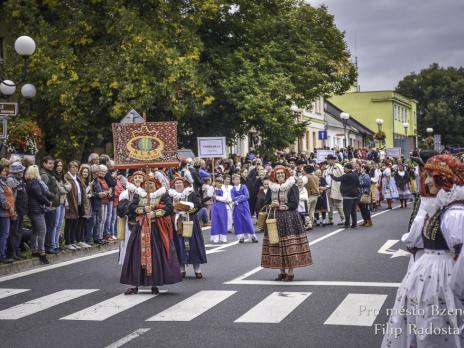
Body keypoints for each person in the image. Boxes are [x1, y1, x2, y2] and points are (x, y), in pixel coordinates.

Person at [382, 154, 464, 347]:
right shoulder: (441, 207)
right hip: (429, 275)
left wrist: (457, 288)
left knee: (438, 326)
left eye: (430, 176)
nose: (426, 181)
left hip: (443, 278)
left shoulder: (455, 213)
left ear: (444, 178)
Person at [118, 172, 182, 294]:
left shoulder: (162, 194)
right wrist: (142, 209)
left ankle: (154, 283)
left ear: (156, 184)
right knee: (136, 255)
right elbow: (132, 207)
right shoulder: (139, 194)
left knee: (157, 256)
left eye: (151, 183)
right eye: (146, 184)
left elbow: (169, 208)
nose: (148, 186)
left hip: (156, 229)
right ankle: (134, 284)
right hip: (140, 228)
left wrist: (155, 213)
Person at [261, 165, 312, 281]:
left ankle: (290, 272)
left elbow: (295, 203)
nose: (280, 175)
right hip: (274, 218)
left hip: (289, 218)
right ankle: (282, 271)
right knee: (276, 244)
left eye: (282, 173)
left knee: (290, 245)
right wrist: (271, 205)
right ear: (274, 175)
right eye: (277, 174)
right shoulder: (271, 187)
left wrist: (283, 206)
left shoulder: (292, 186)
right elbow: (267, 202)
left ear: (286, 174)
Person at [169, 176, 207, 278]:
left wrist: (188, 210)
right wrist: (174, 210)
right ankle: (181, 270)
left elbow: (198, 204)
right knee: (179, 245)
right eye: (176, 183)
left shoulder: (191, 193)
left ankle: (197, 269)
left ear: (184, 184)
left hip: (190, 220)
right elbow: (168, 207)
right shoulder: (171, 195)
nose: (178, 184)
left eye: (180, 183)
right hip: (177, 222)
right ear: (173, 185)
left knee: (193, 244)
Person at [26, 165, 53, 265]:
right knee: (42, 231)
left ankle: (34, 250)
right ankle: (42, 253)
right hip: (37, 210)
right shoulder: (35, 184)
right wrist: (48, 203)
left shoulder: (27, 183)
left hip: (31, 210)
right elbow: (40, 196)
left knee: (34, 231)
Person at [64, 161, 91, 250]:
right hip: (71, 203)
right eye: (73, 167)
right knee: (70, 223)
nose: (75, 169)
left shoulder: (77, 178)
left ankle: (74, 241)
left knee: (76, 222)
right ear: (69, 168)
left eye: (76, 167)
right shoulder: (67, 177)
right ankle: (68, 242)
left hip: (79, 203)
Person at [7, 162, 27, 260]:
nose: (23, 171)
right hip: (16, 210)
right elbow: (11, 197)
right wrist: (13, 210)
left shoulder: (20, 180)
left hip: (21, 210)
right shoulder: (11, 180)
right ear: (17, 172)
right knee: (13, 232)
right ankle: (11, 253)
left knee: (19, 232)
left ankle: (17, 251)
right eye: (21, 170)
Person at [40, 156, 60, 255]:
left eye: (52, 163)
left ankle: (48, 246)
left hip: (53, 205)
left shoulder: (49, 173)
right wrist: (48, 202)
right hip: (48, 206)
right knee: (48, 227)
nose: (52, 165)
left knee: (51, 226)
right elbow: (44, 191)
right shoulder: (44, 175)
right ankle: (46, 247)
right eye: (49, 163)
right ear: (44, 163)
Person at [330, 163, 360, 229]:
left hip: (348, 196)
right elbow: (358, 184)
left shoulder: (347, 175)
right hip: (355, 195)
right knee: (353, 210)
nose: (343, 169)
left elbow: (337, 179)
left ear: (348, 168)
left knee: (346, 210)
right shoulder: (355, 174)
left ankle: (347, 224)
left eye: (345, 168)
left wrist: (331, 175)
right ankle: (354, 224)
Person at [50, 159, 71, 253]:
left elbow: (69, 187)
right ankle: (52, 244)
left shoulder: (62, 177)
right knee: (55, 224)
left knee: (59, 224)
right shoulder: (53, 177)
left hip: (63, 202)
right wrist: (65, 188)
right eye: (58, 165)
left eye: (61, 166)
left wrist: (64, 188)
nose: (59, 167)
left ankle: (57, 244)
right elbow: (61, 190)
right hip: (57, 202)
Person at [231, 174, 257, 243]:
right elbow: (233, 198)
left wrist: (238, 199)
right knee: (238, 221)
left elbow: (247, 196)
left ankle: (252, 236)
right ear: (233, 180)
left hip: (245, 206)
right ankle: (241, 237)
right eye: (236, 179)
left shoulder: (243, 186)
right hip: (237, 207)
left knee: (248, 220)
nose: (238, 180)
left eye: (238, 179)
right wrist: (241, 196)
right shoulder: (232, 189)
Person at [0, 164, 15, 264]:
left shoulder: (3, 182)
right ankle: (2, 255)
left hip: (5, 212)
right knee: (4, 234)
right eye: (4, 171)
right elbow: (2, 199)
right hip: (3, 213)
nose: (5, 173)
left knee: (4, 234)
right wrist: (10, 208)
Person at [325, 154, 345, 225]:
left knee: (338, 204)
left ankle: (343, 219)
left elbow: (343, 176)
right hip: (328, 188)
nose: (328, 161)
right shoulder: (327, 167)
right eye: (327, 160)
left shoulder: (338, 166)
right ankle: (330, 220)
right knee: (329, 205)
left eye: (329, 160)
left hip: (336, 187)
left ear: (333, 160)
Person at [208, 177, 229, 244]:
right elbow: (209, 194)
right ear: (216, 182)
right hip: (215, 207)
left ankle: (223, 238)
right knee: (215, 222)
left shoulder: (224, 189)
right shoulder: (213, 188)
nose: (220, 183)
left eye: (221, 182)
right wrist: (211, 186)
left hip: (222, 207)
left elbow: (224, 198)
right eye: (218, 182)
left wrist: (216, 197)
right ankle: (215, 238)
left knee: (223, 221)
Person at [303, 165, 319, 230]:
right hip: (316, 195)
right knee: (312, 211)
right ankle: (311, 224)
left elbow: (301, 184)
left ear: (305, 170)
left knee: (306, 211)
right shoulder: (316, 177)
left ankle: (308, 224)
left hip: (309, 195)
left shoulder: (306, 177)